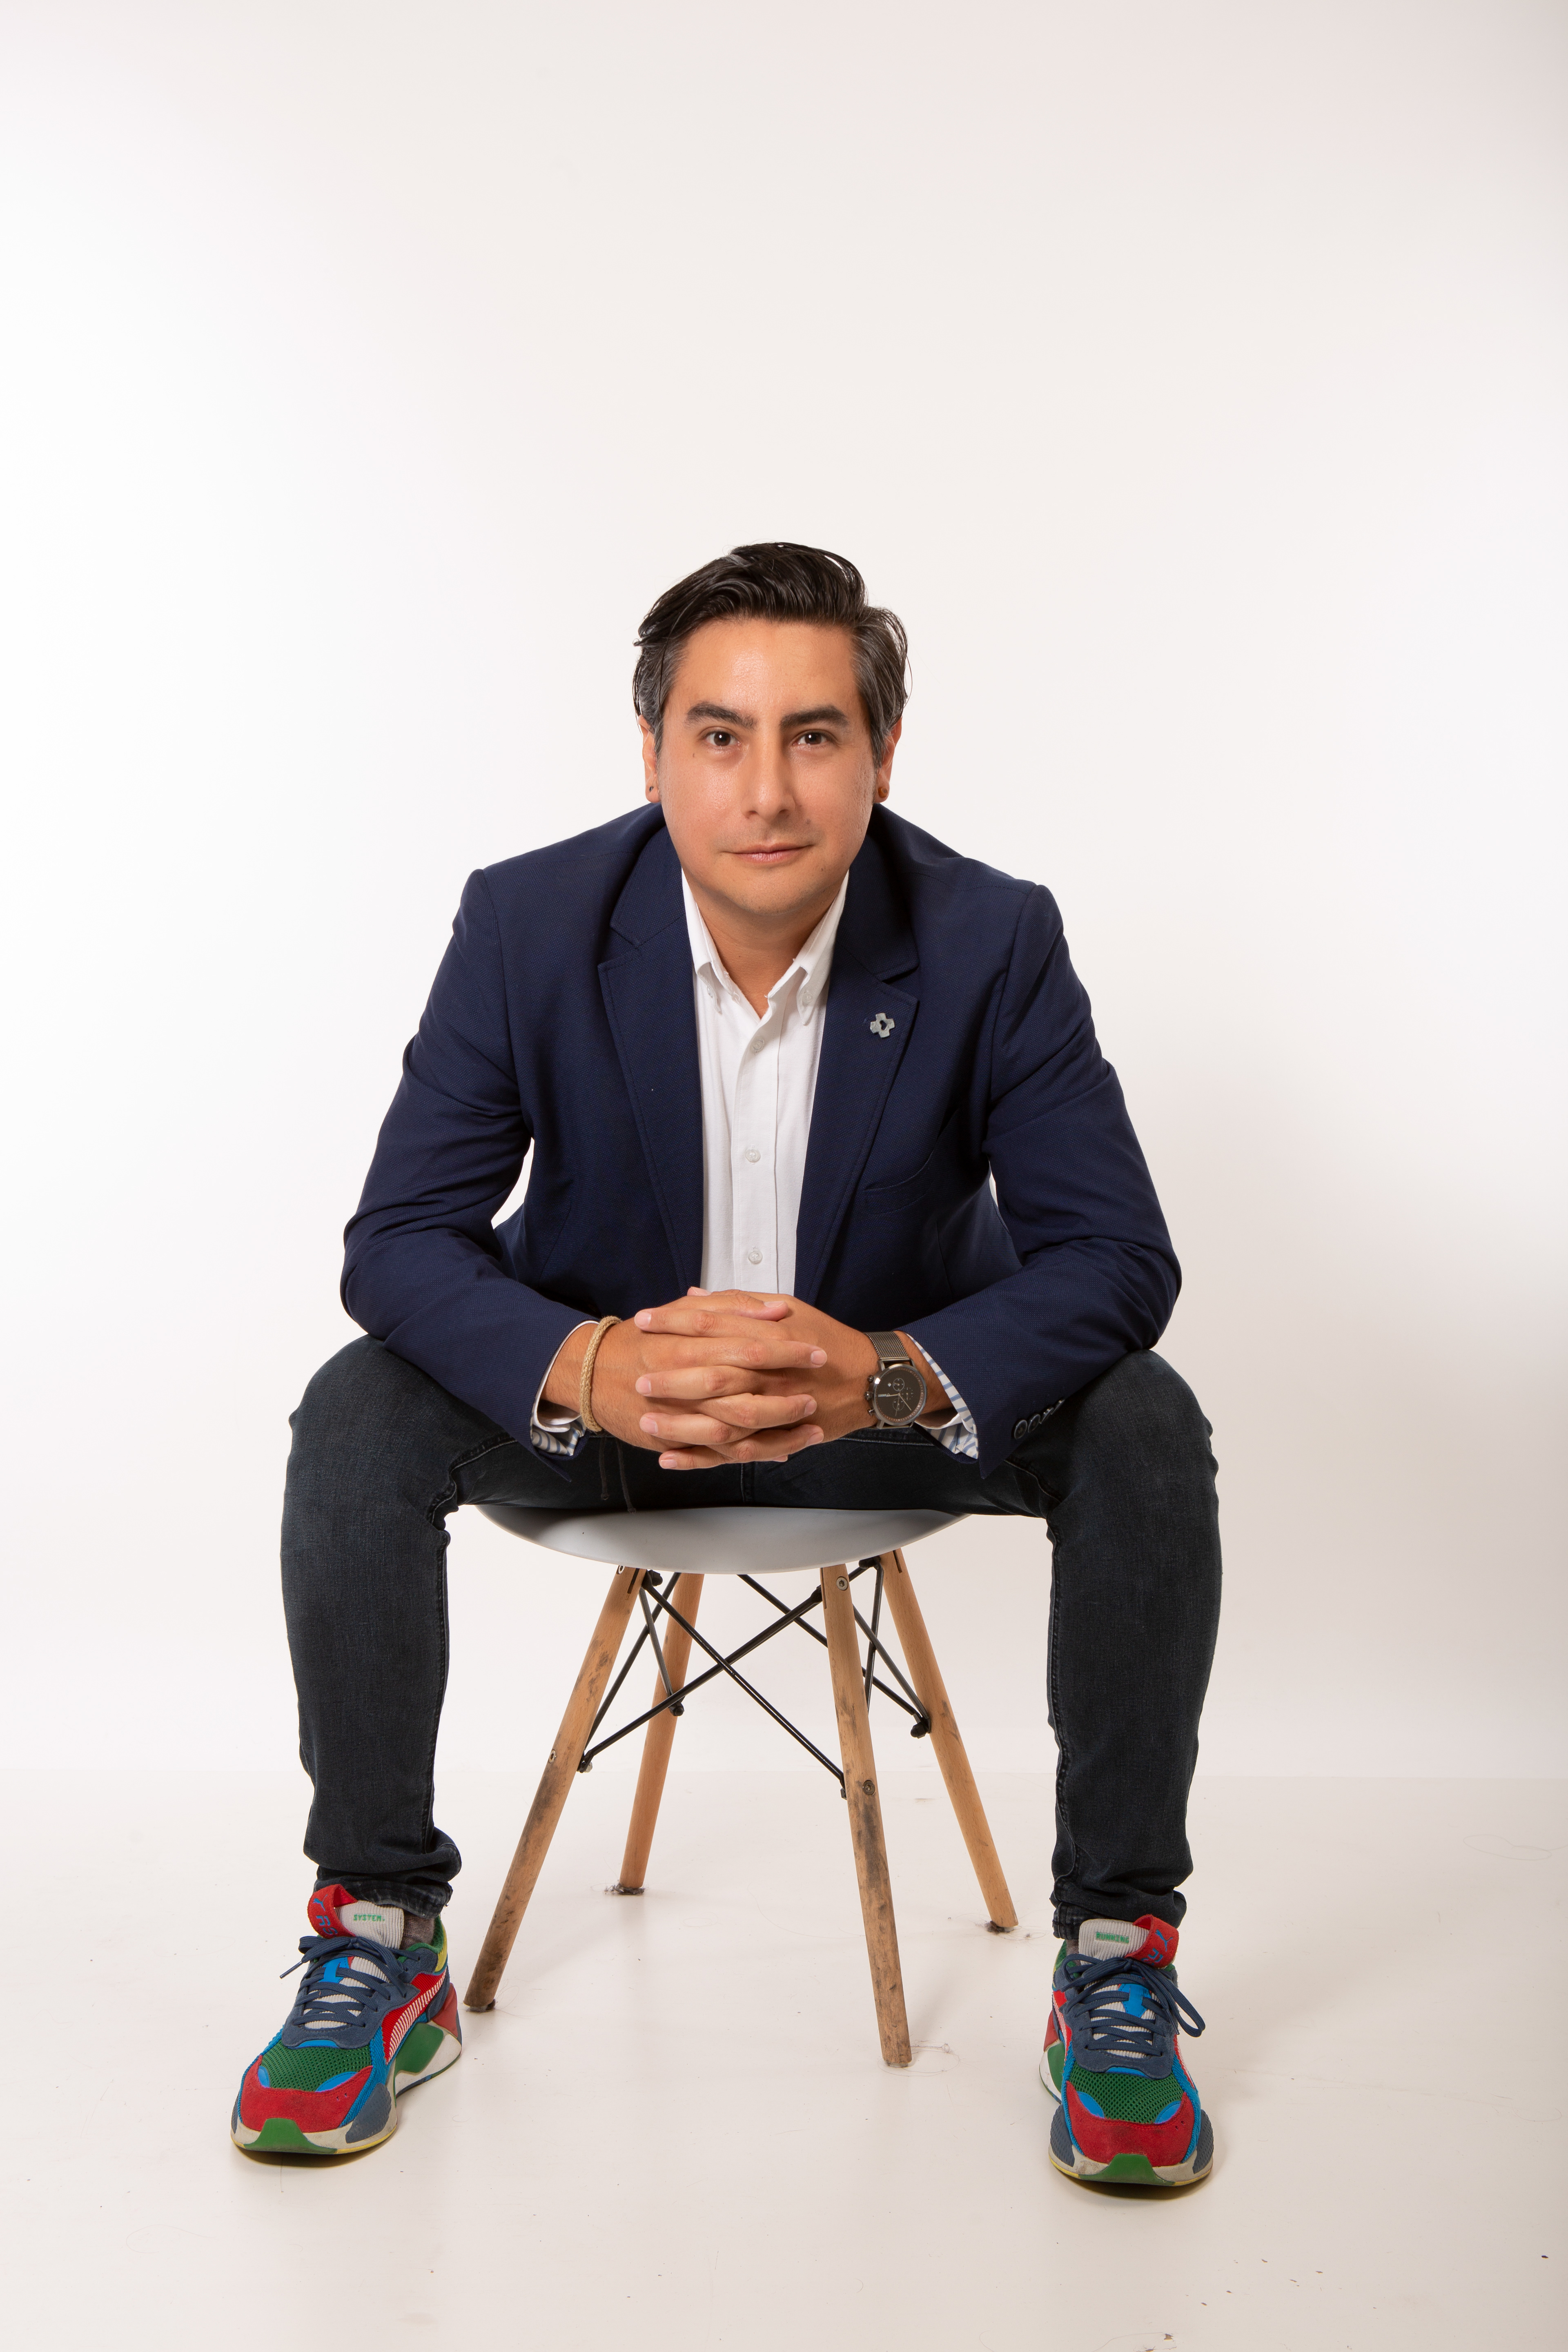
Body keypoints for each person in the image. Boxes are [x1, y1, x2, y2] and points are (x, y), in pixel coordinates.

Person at [232, 543, 1222, 2187]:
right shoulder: (529, 922)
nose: (767, 789)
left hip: (882, 1411)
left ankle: (1118, 1957)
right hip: (618, 1417)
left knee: (1146, 1422)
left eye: (814, 735)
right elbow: (397, 1240)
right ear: (653, 754)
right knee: (355, 1412)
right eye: (720, 735)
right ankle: (380, 1933)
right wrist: (588, 1365)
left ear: (881, 754)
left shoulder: (992, 938)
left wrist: (888, 1374)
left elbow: (1120, 1260)